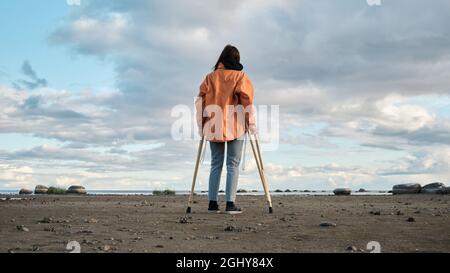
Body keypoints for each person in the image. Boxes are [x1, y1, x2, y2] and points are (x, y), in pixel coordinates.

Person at [196, 45, 256, 214]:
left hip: (213, 126)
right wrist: (251, 124)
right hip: (235, 125)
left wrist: (202, 125)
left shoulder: (210, 77)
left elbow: (200, 101)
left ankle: (212, 204)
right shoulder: (240, 76)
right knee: (233, 165)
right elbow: (247, 102)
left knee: (216, 164)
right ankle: (230, 204)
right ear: (236, 59)